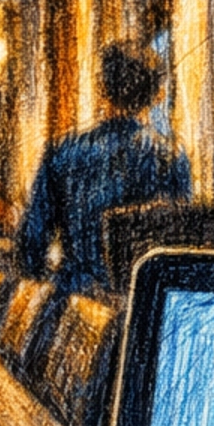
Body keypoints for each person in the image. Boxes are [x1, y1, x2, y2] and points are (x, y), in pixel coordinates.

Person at [17, 41, 191, 296]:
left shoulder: (63, 152)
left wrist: (51, 286)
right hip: (140, 302)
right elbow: (179, 248)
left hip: (77, 302)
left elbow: (31, 245)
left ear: (102, 88)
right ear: (157, 94)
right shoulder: (170, 155)